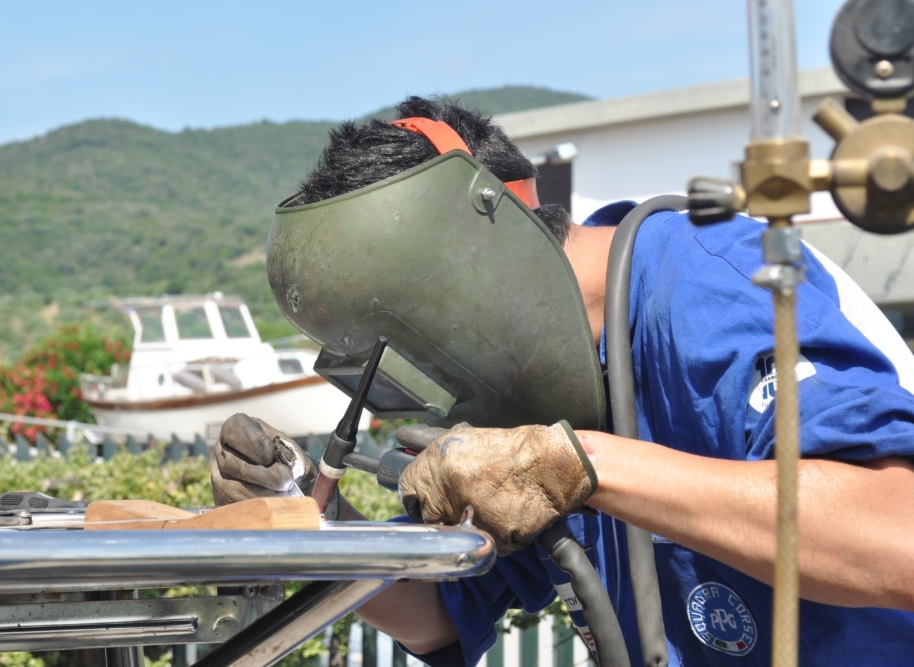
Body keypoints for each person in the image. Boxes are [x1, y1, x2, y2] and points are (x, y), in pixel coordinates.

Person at [211, 95, 914, 666]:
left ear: (480, 249)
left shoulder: (710, 281)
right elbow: (435, 617)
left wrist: (578, 465)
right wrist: (317, 525)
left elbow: (894, 537)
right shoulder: (541, 376)